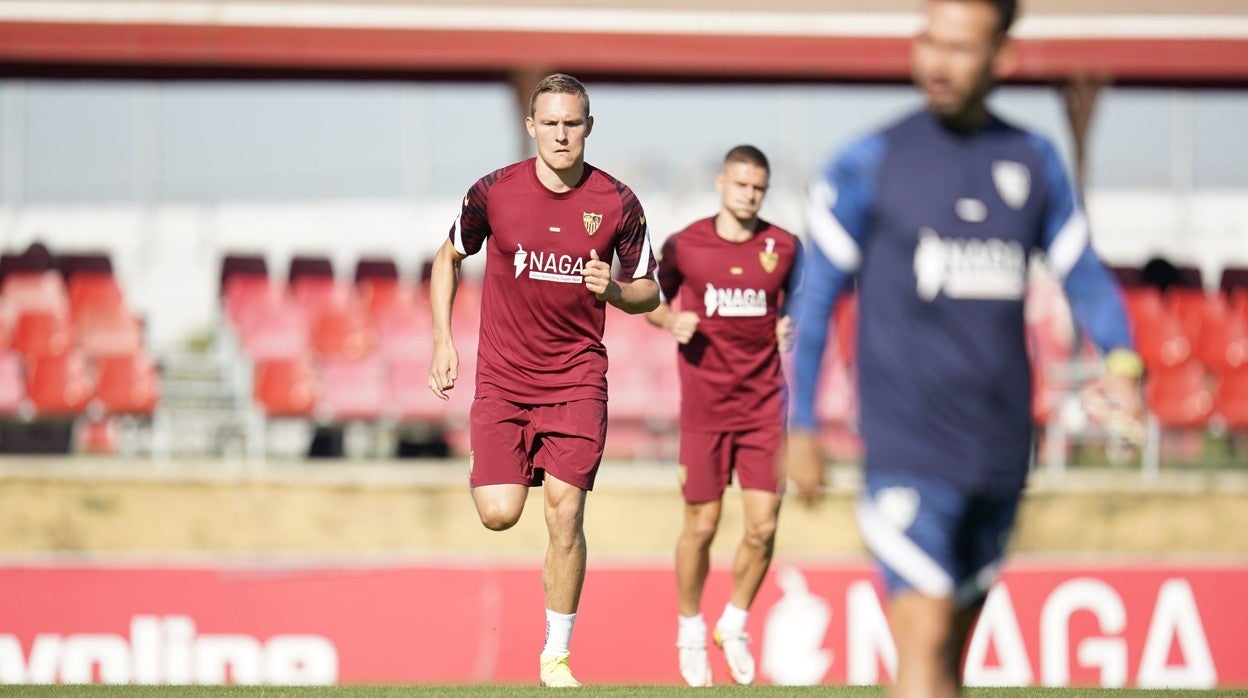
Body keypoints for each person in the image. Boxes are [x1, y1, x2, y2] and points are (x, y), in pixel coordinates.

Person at [787, 2, 1144, 697]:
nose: (936, 61)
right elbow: (813, 299)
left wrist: (1124, 365)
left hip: (1001, 453)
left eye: (958, 47)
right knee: (922, 653)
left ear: (1001, 58)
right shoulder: (871, 163)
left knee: (950, 658)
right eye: (929, 41)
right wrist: (798, 424)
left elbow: (1086, 275)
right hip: (907, 451)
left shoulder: (1033, 161)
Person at [427, 73, 659, 688]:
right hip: (503, 379)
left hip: (578, 377)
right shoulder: (493, 193)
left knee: (565, 512)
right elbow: (446, 258)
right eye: (550, 123)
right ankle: (515, 467)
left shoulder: (618, 202)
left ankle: (555, 655)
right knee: (499, 513)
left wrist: (613, 289)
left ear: (589, 126)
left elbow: (648, 290)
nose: (562, 134)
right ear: (532, 127)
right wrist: (444, 341)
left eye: (573, 123)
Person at [645, 145, 800, 687]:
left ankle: (733, 622)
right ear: (720, 183)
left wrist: (788, 324)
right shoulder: (685, 245)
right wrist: (669, 322)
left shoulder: (784, 247)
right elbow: (646, 297)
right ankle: (690, 628)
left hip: (763, 408)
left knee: (763, 526)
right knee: (702, 526)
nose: (749, 195)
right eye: (740, 185)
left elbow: (800, 304)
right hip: (704, 410)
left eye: (758, 187)